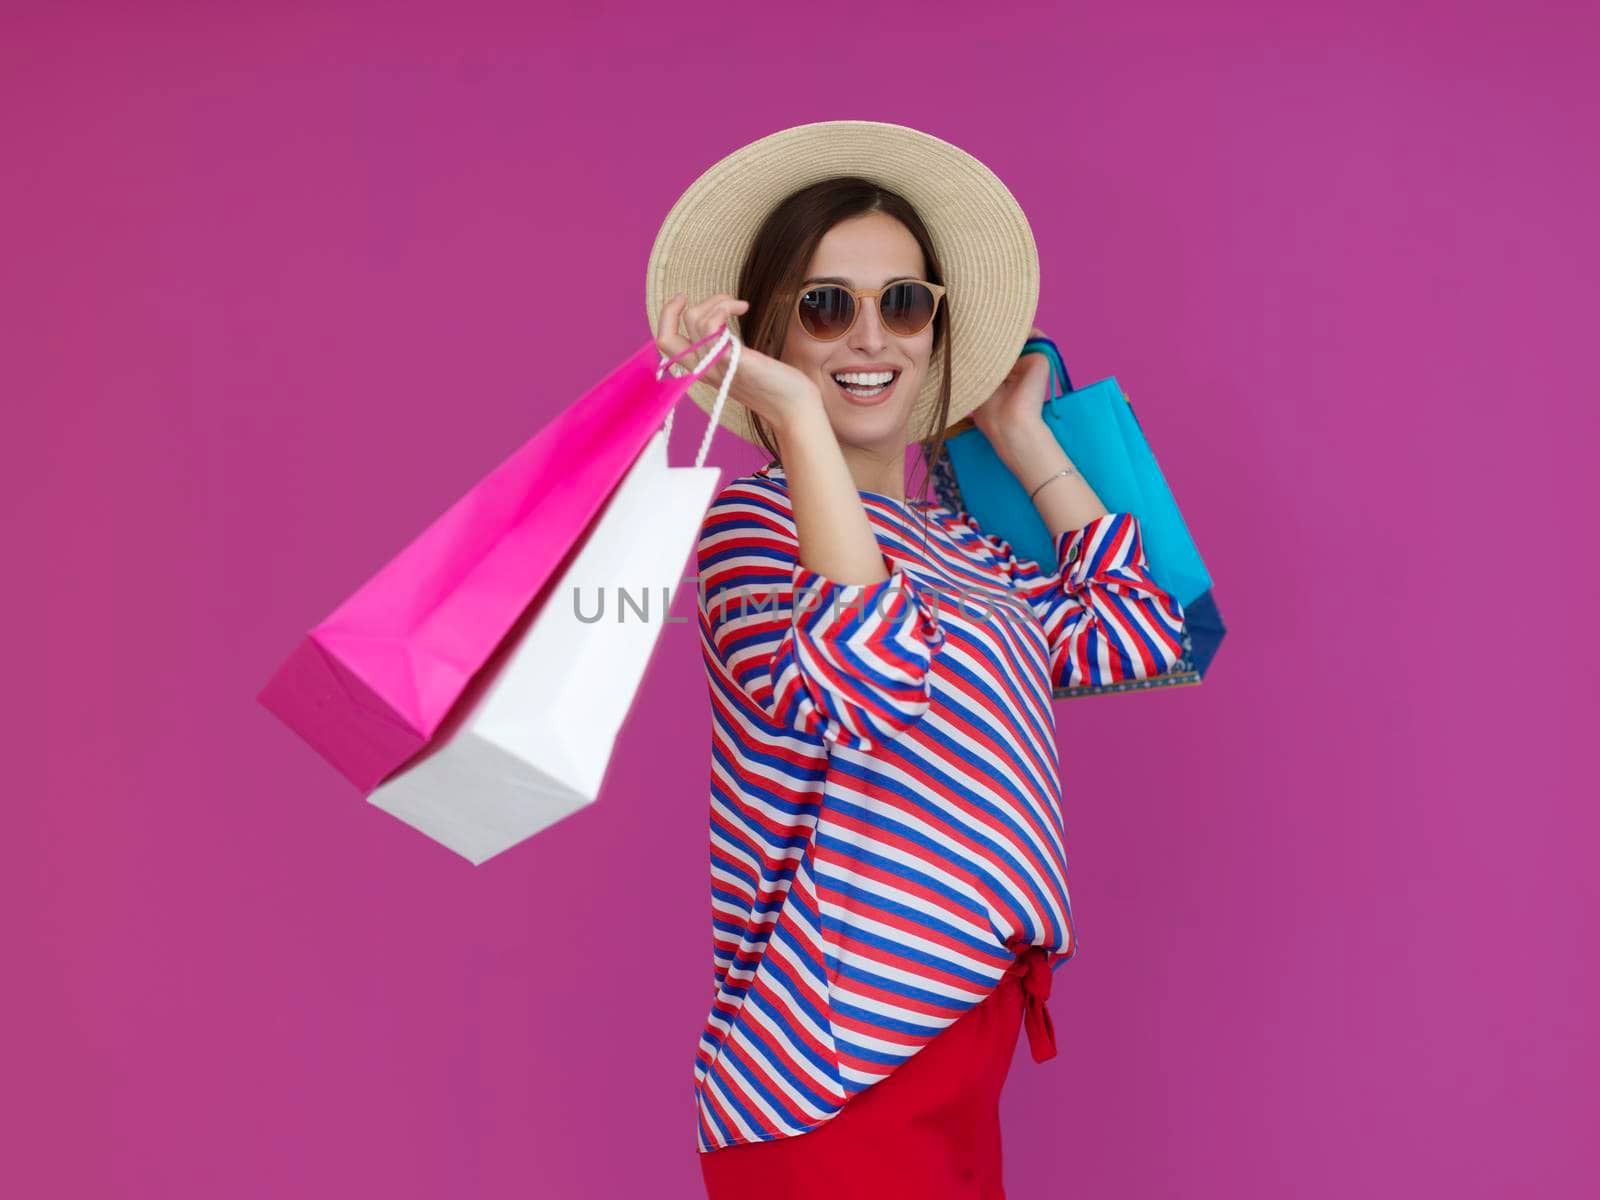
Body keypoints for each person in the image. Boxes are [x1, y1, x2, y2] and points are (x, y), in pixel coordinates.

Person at [646, 120, 1188, 1199]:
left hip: (956, 1056)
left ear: (936, 330)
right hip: (831, 1077)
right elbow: (871, 680)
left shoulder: (957, 549)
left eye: (902, 303)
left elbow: (1140, 630)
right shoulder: (754, 528)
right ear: (773, 337)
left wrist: (1021, 434)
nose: (868, 338)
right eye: (824, 305)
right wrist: (791, 417)